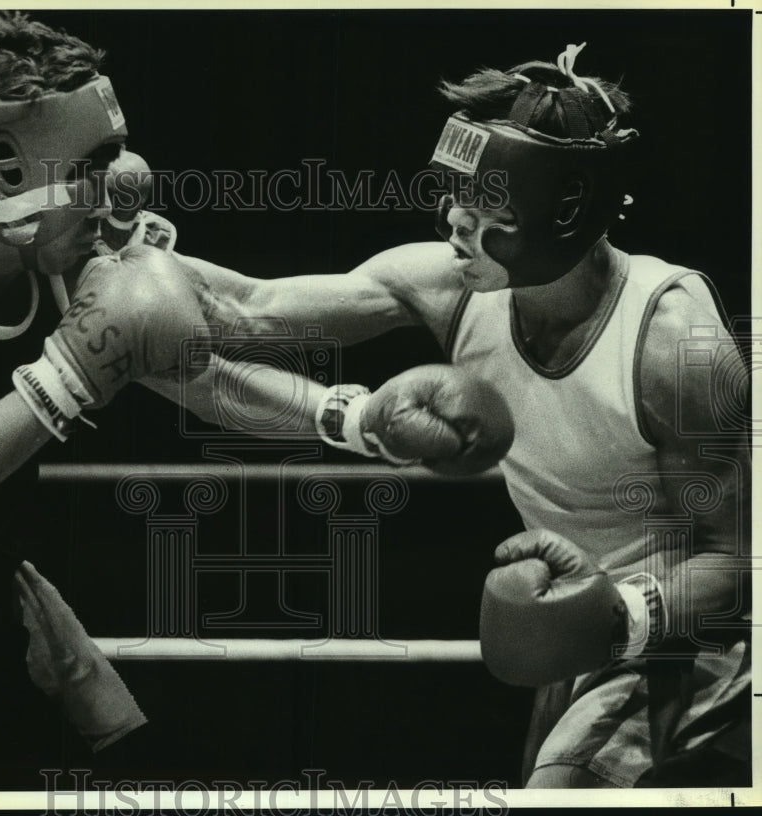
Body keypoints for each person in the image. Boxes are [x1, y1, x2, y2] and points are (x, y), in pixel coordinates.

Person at [0, 11, 513, 792]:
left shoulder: (56, 258)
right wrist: (70, 373)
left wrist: (352, 419)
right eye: (94, 160)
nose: (123, 182)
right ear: (7, 167)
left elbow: (204, 364)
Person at [170, 43, 751, 788]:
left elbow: (745, 557)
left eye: (487, 208)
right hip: (575, 632)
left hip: (691, 642)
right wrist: (113, 247)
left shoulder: (671, 347)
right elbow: (246, 309)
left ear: (563, 211)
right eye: (455, 195)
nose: (453, 221)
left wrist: (623, 614)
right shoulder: (453, 286)